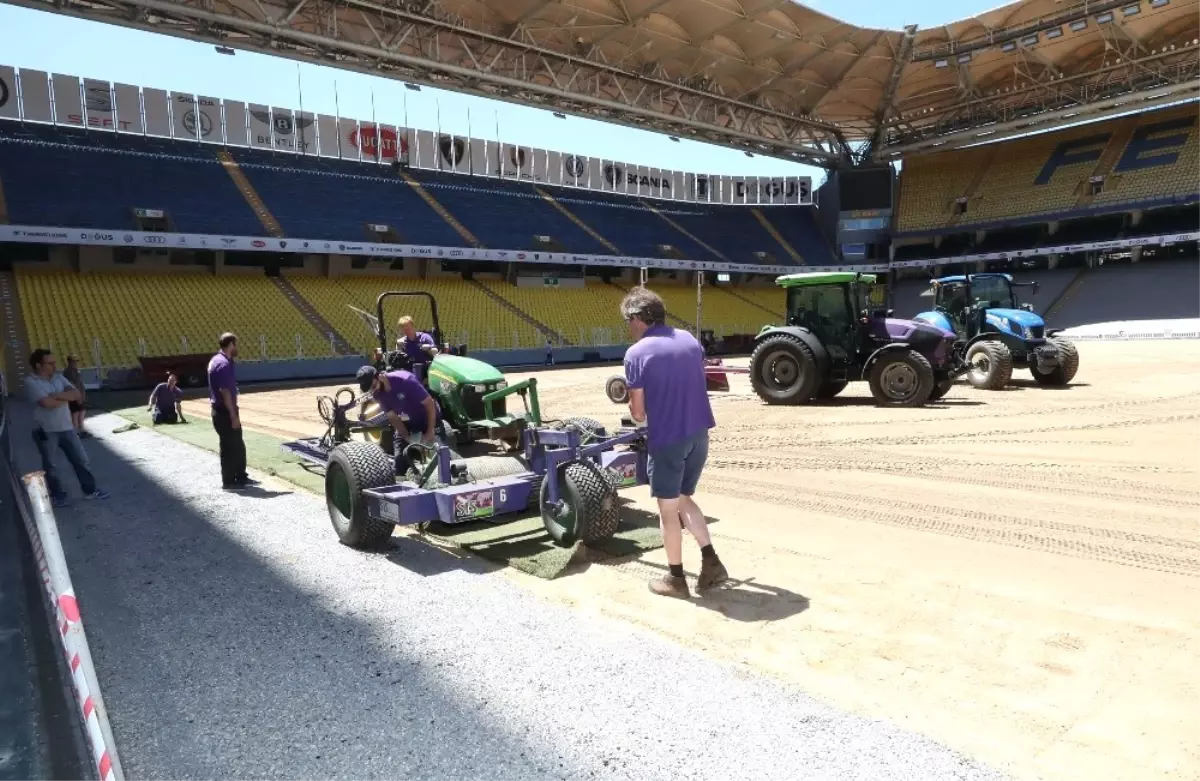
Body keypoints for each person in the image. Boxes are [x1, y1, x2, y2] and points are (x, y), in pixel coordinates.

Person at [620, 287, 727, 599]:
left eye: (628, 321)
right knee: (681, 498)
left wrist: (635, 404)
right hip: (699, 434)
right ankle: (711, 562)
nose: (628, 327)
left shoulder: (636, 354)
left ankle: (676, 579)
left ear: (639, 318)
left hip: (668, 439)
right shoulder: (689, 340)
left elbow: (638, 414)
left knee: (668, 510)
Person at [24, 349, 110, 507]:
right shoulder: (31, 382)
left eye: (54, 362)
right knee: (51, 466)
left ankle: (90, 490)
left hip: (67, 427)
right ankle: (58, 496)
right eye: (50, 363)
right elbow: (46, 404)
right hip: (46, 431)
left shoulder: (58, 378)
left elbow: (76, 394)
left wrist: (55, 396)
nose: (54, 366)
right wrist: (64, 397)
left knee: (81, 460)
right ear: (38, 365)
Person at [356, 364, 440, 474]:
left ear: (379, 376)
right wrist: (406, 436)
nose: (372, 391)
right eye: (369, 389)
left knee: (441, 458)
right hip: (408, 423)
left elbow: (429, 404)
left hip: (428, 420)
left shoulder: (405, 381)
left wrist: (430, 431)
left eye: (372, 386)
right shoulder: (377, 394)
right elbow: (392, 416)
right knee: (400, 460)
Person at [208, 333, 254, 490]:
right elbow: (225, 391)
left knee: (237, 445)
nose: (237, 348)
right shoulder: (223, 364)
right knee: (229, 447)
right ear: (230, 345)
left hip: (224, 410)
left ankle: (240, 476)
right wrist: (233, 415)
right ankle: (229, 482)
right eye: (236, 344)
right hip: (225, 412)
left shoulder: (218, 360)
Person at [62, 355, 89, 438]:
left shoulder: (77, 371)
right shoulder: (67, 372)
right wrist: (77, 397)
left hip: (80, 395)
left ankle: (82, 430)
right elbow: (72, 385)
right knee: (75, 414)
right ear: (69, 362)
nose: (76, 363)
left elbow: (81, 384)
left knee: (82, 413)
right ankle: (75, 433)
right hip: (74, 396)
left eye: (76, 361)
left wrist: (82, 395)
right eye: (74, 361)